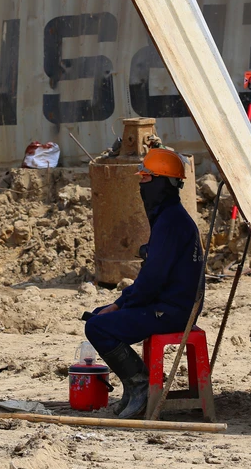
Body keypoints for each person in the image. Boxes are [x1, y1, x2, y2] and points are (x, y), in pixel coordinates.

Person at [84, 148, 204, 419]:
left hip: (172, 311)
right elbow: (154, 277)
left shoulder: (171, 221)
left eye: (146, 179)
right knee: (99, 316)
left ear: (162, 183)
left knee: (98, 326)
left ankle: (141, 385)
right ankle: (133, 385)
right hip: (172, 304)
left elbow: (152, 279)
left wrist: (119, 305)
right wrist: (120, 303)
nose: (141, 185)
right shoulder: (170, 217)